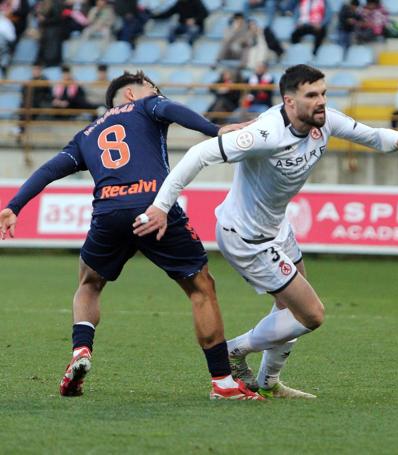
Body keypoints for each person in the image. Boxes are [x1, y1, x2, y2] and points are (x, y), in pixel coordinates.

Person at [133, 64, 398, 399]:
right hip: (246, 237)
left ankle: (269, 382)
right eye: (312, 95)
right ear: (289, 101)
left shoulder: (325, 121)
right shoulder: (265, 133)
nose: (321, 102)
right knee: (311, 314)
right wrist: (160, 206)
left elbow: (371, 135)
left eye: (323, 93)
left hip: (276, 228)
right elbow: (198, 154)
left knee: (290, 306)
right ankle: (233, 351)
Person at [0, 71, 261, 401]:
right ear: (129, 94)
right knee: (200, 287)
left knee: (89, 283)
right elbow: (173, 111)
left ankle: (82, 349)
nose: (157, 93)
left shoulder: (86, 134)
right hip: (154, 208)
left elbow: (50, 169)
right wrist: (216, 130)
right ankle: (223, 383)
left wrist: (14, 206)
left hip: (108, 213)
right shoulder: (145, 106)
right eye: (152, 89)